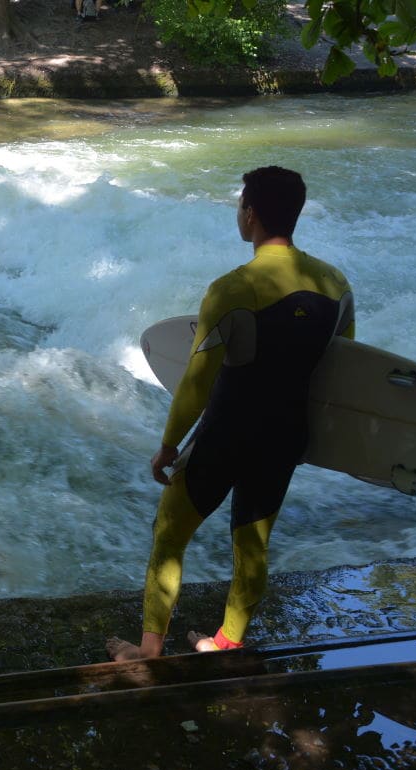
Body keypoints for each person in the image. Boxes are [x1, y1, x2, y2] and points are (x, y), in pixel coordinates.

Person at [106, 166, 355, 661]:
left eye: (241, 204)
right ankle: (226, 643)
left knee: (171, 534)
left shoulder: (233, 289)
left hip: (227, 433)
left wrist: (170, 443)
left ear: (251, 213)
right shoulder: (335, 285)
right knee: (253, 542)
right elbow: (342, 369)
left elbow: (197, 383)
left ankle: (149, 650)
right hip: (285, 436)